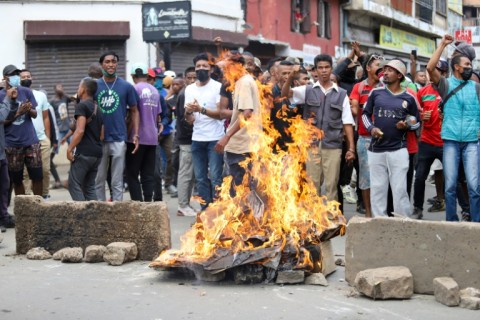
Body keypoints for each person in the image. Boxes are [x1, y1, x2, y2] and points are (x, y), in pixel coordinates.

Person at [282, 54, 356, 202]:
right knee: (312, 184)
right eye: (320, 67)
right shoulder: (307, 90)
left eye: (327, 67)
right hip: (311, 144)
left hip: (333, 144)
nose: (324, 71)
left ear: (331, 69)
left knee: (331, 185)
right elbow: (285, 95)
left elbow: (347, 123)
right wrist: (290, 76)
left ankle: (331, 219)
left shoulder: (341, 94)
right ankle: (313, 219)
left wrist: (351, 148)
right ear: (315, 70)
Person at [426, 34, 480, 222]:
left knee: (474, 187)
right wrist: (442, 45)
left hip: (472, 142)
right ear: (456, 67)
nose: (469, 68)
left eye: (470, 65)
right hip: (450, 141)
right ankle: (451, 222)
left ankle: (476, 222)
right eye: (466, 65)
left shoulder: (475, 87)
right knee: (450, 186)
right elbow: (430, 68)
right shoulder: (446, 84)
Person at [362, 59, 420, 217]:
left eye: (389, 70)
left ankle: (403, 221)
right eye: (384, 70)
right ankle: (379, 221)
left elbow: (416, 121)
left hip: (399, 149)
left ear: (399, 75)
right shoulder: (376, 93)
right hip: (376, 149)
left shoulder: (409, 97)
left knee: (400, 189)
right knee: (378, 188)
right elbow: (365, 115)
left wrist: (407, 125)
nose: (384, 73)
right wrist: (371, 128)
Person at [94, 51, 140, 201]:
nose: (111, 64)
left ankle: (117, 209)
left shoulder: (126, 86)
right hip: (98, 139)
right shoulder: (94, 86)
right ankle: (100, 209)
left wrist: (135, 134)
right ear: (101, 65)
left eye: (113, 61)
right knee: (98, 179)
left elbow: (134, 111)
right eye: (107, 62)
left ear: (117, 64)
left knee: (117, 180)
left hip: (119, 137)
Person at [214, 53, 262, 196]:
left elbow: (247, 113)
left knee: (239, 192)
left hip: (242, 147)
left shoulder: (244, 83)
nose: (224, 73)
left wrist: (226, 136)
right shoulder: (244, 81)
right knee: (244, 190)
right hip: (246, 145)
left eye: (226, 69)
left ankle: (241, 218)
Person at [184, 53, 224, 211]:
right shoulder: (189, 89)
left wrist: (201, 109)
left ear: (211, 69)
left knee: (215, 177)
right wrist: (188, 112)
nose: (201, 69)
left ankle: (219, 211)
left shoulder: (218, 87)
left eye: (204, 66)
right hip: (197, 139)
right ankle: (205, 211)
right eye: (198, 66)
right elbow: (189, 120)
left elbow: (220, 114)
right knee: (200, 178)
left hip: (215, 139)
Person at [411, 60, 448, 219]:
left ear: (445, 74)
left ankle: (460, 209)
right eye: (432, 71)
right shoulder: (423, 91)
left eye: (438, 71)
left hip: (446, 142)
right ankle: (417, 208)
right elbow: (412, 115)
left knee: (454, 178)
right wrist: (420, 116)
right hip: (426, 141)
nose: (433, 74)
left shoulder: (449, 91)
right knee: (419, 177)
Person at [349, 53, 384, 217]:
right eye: (377, 65)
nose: (381, 68)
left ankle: (381, 212)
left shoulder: (387, 85)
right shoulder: (359, 87)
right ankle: (369, 213)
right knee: (365, 177)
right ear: (368, 68)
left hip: (385, 139)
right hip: (364, 138)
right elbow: (354, 106)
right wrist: (354, 109)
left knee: (383, 177)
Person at [0, 64, 43, 197]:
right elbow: (2, 121)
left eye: (16, 74)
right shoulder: (1, 95)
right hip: (12, 144)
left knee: (37, 177)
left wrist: (28, 109)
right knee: (17, 180)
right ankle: (24, 207)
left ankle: (38, 205)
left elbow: (35, 114)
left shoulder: (26, 91)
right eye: (12, 75)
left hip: (31, 141)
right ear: (5, 78)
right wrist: (18, 113)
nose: (15, 77)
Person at [125, 63, 161, 202]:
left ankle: (137, 203)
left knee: (132, 173)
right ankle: (148, 202)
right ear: (147, 76)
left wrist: (127, 134)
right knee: (147, 173)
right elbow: (157, 116)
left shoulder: (133, 89)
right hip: (152, 137)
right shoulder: (155, 91)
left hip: (136, 137)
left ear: (133, 76)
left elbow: (131, 114)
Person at [66, 78, 103, 201]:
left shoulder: (82, 106)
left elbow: (80, 130)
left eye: (79, 86)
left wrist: (69, 149)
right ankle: (95, 216)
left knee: (74, 184)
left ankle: (82, 217)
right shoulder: (99, 108)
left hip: (85, 152)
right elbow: (102, 135)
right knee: (89, 187)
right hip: (97, 153)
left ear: (82, 89)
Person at [19, 69, 51, 199]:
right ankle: (27, 198)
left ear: (32, 79)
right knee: (26, 172)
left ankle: (44, 195)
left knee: (44, 170)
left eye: (28, 76)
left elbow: (46, 118)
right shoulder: (16, 95)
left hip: (41, 139)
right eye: (23, 76)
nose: (26, 78)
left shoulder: (41, 96)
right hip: (25, 139)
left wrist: (48, 137)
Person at [176, 67, 197, 216]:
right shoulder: (184, 94)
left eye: (194, 78)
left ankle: (186, 204)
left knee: (191, 174)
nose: (191, 80)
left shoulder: (193, 92)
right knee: (186, 173)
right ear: (184, 78)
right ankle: (182, 206)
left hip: (192, 138)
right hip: (186, 139)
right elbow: (183, 119)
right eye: (189, 78)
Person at [0, 89, 15, 232]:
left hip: (1, 153)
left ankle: (3, 216)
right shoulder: (4, 100)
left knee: (5, 185)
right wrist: (7, 98)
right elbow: (2, 115)